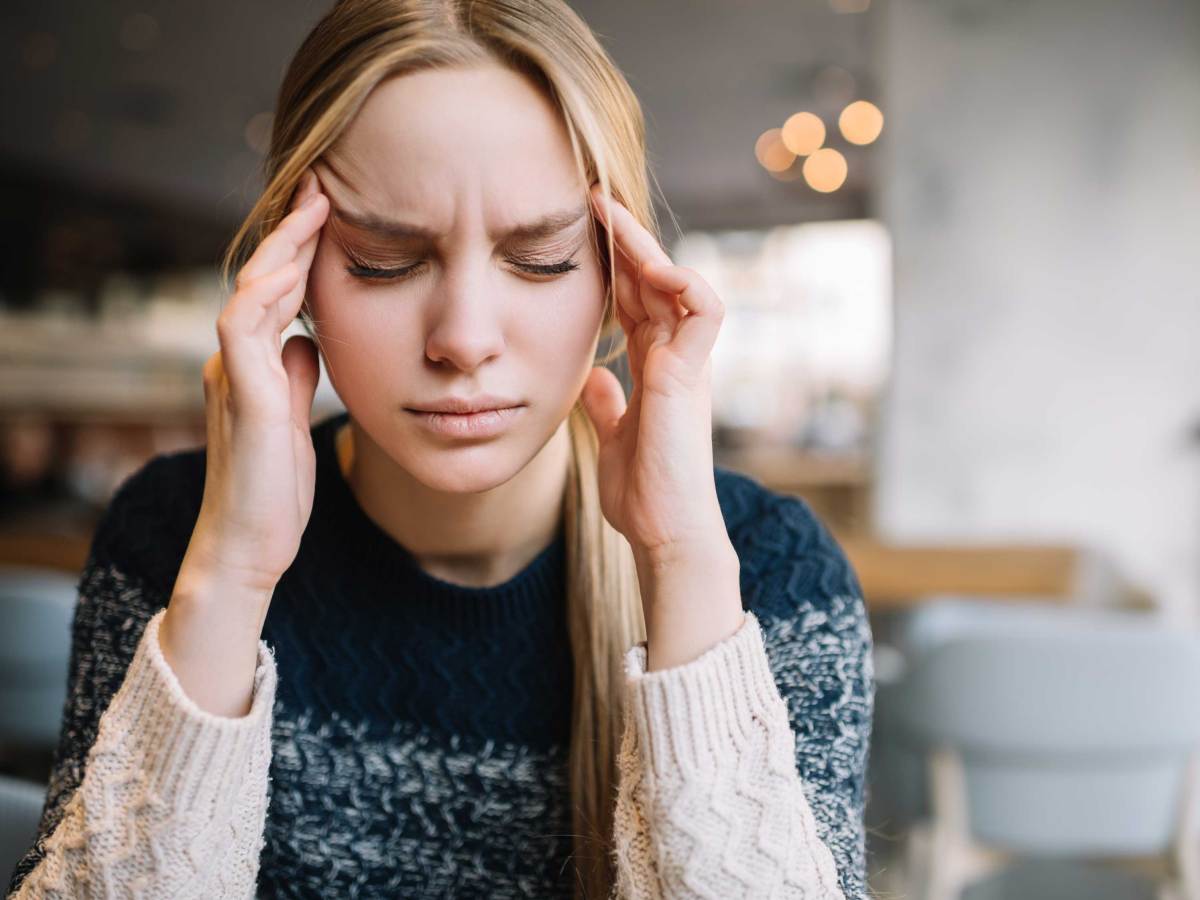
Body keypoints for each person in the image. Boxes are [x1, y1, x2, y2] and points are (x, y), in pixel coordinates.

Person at [6, 1, 875, 897]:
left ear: (624, 277)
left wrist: (684, 561)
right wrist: (230, 575)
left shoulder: (770, 574)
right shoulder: (173, 537)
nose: (463, 338)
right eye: (384, 259)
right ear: (292, 275)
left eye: (540, 258)